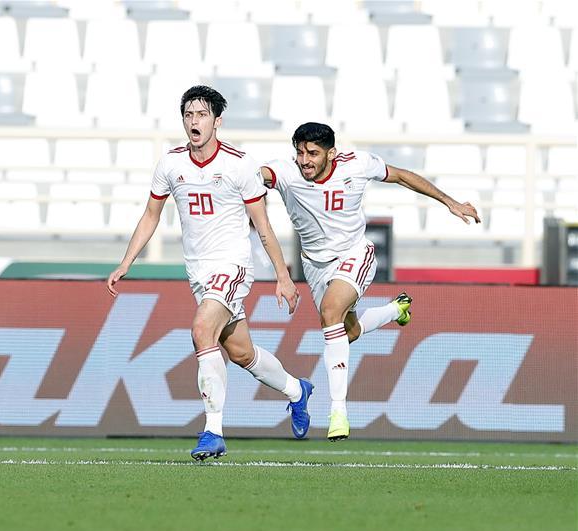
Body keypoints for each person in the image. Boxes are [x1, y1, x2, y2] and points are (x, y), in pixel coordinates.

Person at [107, 86, 314, 461]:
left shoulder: (239, 164)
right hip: (199, 273)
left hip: (232, 266)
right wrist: (126, 262)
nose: (193, 122)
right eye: (188, 115)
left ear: (217, 121)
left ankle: (212, 431)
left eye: (201, 115)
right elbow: (151, 214)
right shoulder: (171, 164)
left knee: (202, 330)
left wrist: (283, 277)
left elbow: (263, 225)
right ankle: (298, 391)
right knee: (241, 353)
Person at [261, 122, 481, 441]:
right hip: (315, 266)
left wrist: (450, 202)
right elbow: (255, 177)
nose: (305, 160)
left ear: (330, 153)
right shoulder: (286, 172)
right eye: (299, 152)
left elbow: (402, 175)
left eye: (312, 153)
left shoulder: (356, 165)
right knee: (344, 331)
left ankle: (338, 411)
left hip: (354, 254)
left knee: (330, 314)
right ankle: (395, 310)